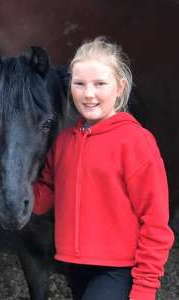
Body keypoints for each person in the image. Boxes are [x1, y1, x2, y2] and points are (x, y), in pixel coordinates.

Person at [33, 36, 174, 300]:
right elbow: (46, 195)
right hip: (74, 266)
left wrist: (145, 287)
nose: (88, 94)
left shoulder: (136, 142)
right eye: (79, 84)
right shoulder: (64, 141)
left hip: (118, 269)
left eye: (100, 84)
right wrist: (15, 191)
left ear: (119, 87)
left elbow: (155, 221)